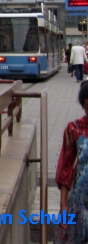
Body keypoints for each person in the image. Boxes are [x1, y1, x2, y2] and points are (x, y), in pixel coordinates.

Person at [55, 82, 88, 243]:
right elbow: (66, 169)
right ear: (83, 106)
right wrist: (63, 205)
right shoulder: (74, 128)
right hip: (80, 200)